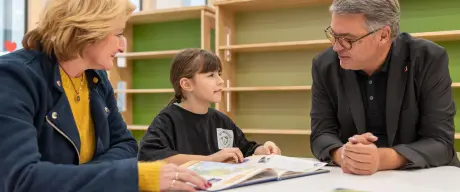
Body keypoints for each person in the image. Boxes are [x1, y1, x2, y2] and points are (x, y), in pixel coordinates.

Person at [0, 0, 210, 191]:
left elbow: (126, 146)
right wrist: (133, 177)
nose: (123, 45)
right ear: (87, 30)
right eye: (118, 34)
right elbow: (21, 179)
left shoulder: (95, 79)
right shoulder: (13, 77)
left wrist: (84, 177)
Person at [310, 0, 460, 175]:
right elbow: (320, 134)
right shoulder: (325, 65)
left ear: (383, 35)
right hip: (353, 180)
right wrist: (343, 155)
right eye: (334, 35)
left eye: (347, 39)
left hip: (422, 178)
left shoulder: (428, 59)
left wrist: (381, 159)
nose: (336, 47)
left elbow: (440, 142)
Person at [138, 48, 281, 166]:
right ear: (187, 84)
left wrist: (263, 150)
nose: (220, 81)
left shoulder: (221, 120)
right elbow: (149, 157)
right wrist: (211, 160)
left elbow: (246, 149)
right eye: (211, 75)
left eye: (219, 74)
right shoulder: (167, 120)